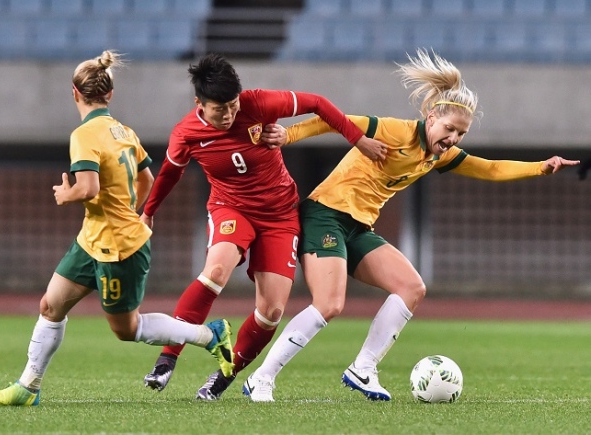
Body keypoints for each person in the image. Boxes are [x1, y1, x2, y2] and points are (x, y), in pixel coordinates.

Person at [242, 48, 580, 402]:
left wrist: (540, 166)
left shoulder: (438, 155)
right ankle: (262, 378)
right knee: (329, 303)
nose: (453, 139)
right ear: (432, 117)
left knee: (411, 287)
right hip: (325, 214)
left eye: (460, 134)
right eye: (449, 129)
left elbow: (490, 168)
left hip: (358, 227)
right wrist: (289, 136)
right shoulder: (392, 130)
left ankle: (363, 368)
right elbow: (331, 120)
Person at [0, 50, 234, 406]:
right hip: (93, 238)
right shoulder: (123, 130)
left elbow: (88, 188)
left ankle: (209, 334)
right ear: (109, 94)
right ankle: (29, 387)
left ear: (74, 93)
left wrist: (65, 195)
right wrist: (127, 209)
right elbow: (147, 177)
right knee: (50, 306)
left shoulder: (84, 134)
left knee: (126, 329)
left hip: (119, 245)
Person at [140, 53, 387, 400]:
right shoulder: (186, 133)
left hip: (279, 216)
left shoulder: (258, 104)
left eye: (232, 106)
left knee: (271, 312)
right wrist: (148, 211)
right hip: (231, 209)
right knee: (216, 271)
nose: (228, 114)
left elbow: (317, 103)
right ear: (199, 103)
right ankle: (167, 359)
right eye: (218, 109)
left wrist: (358, 140)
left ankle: (223, 377)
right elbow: (170, 173)